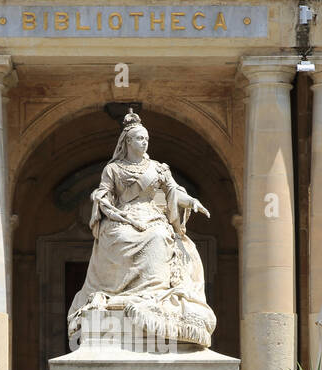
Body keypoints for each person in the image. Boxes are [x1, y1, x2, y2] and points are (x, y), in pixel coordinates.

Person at [67, 108, 216, 349]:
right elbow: (105, 192)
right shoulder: (113, 169)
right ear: (127, 141)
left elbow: (172, 190)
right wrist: (100, 197)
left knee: (158, 236)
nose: (144, 142)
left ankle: (154, 297)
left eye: (146, 138)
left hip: (152, 216)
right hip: (123, 217)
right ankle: (122, 294)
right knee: (117, 236)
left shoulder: (158, 168)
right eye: (139, 138)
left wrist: (191, 201)